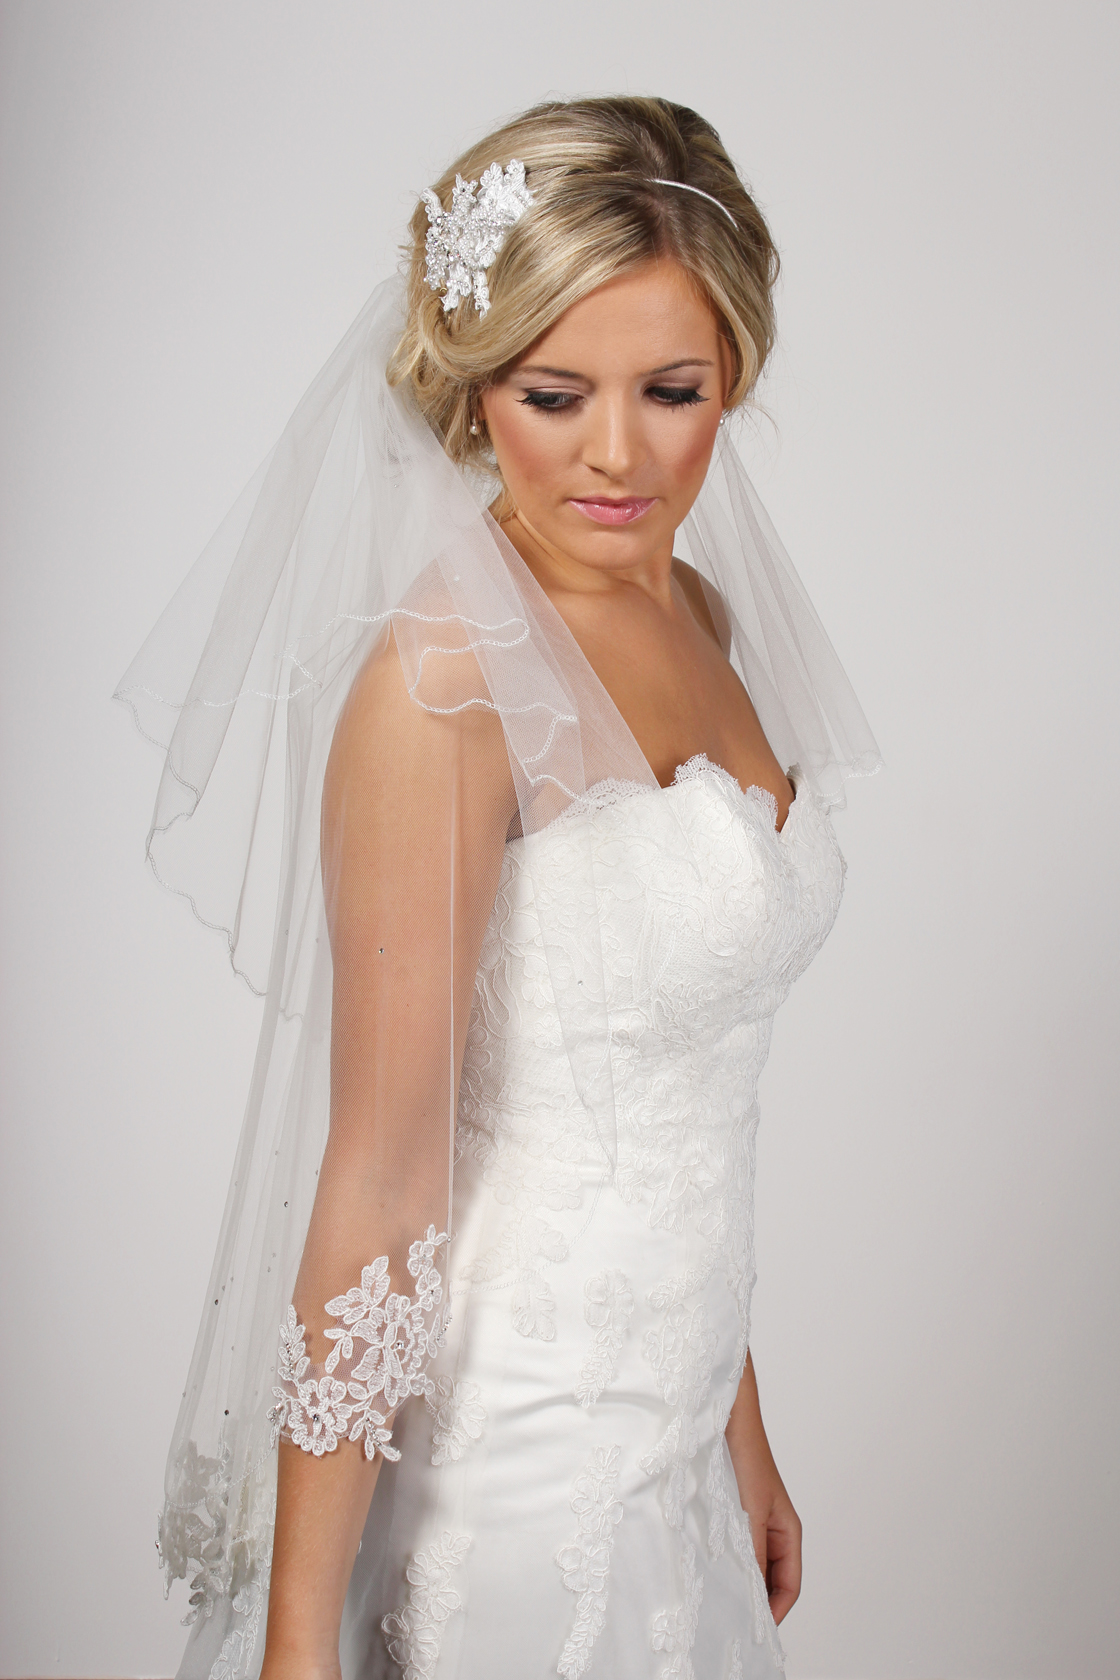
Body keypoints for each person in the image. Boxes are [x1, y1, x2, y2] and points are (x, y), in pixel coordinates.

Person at [119, 96, 879, 1680]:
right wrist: (297, 1647)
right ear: (472, 387)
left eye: (672, 390)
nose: (617, 454)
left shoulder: (702, 614)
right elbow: (381, 1184)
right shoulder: (443, 685)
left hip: (674, 1438)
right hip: (517, 1469)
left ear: (734, 370)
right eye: (553, 394)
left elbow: (670, 1101)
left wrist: (738, 1431)